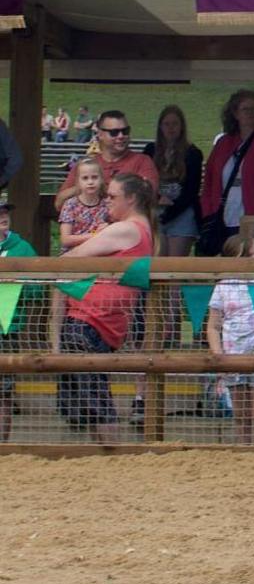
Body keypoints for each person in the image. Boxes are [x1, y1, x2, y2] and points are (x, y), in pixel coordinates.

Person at [58, 173, 155, 445]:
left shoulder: (126, 229)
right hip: (96, 322)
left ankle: (111, 453)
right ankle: (104, 454)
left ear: (132, 198)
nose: (106, 201)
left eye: (112, 197)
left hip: (90, 321)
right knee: (93, 396)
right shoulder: (143, 229)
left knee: (96, 399)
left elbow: (72, 257)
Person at [207, 233, 254, 446]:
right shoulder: (223, 286)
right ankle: (243, 451)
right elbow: (213, 326)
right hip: (233, 357)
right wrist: (218, 357)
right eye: (248, 255)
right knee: (241, 414)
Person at [199, 90, 254, 256]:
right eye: (245, 109)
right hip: (222, 213)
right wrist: (208, 211)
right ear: (235, 113)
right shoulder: (224, 143)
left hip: (253, 212)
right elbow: (210, 179)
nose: (250, 114)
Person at [56, 109, 159, 214]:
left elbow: (148, 197)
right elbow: (59, 203)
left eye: (125, 131)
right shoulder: (86, 165)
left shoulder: (142, 161)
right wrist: (85, 188)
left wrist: (101, 189)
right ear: (100, 134)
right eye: (114, 132)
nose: (121, 136)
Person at [145, 106, 206, 258]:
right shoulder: (150, 150)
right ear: (160, 127)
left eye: (175, 124)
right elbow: (143, 180)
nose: (171, 128)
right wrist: (157, 198)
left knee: (174, 267)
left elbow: (192, 190)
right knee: (157, 265)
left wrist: (172, 211)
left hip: (181, 212)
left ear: (181, 126)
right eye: (166, 124)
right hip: (156, 211)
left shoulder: (192, 153)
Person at [0, 201, 37, 442]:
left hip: (8, 328)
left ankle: (2, 444)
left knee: (3, 391)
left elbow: (39, 290)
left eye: (5, 212)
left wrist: (14, 284)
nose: (3, 216)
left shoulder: (23, 248)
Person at [57, 157, 110, 250]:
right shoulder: (70, 205)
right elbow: (65, 239)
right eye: (85, 178)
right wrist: (95, 235)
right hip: (73, 253)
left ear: (101, 180)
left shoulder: (107, 205)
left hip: (99, 253)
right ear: (78, 182)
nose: (90, 182)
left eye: (94, 177)